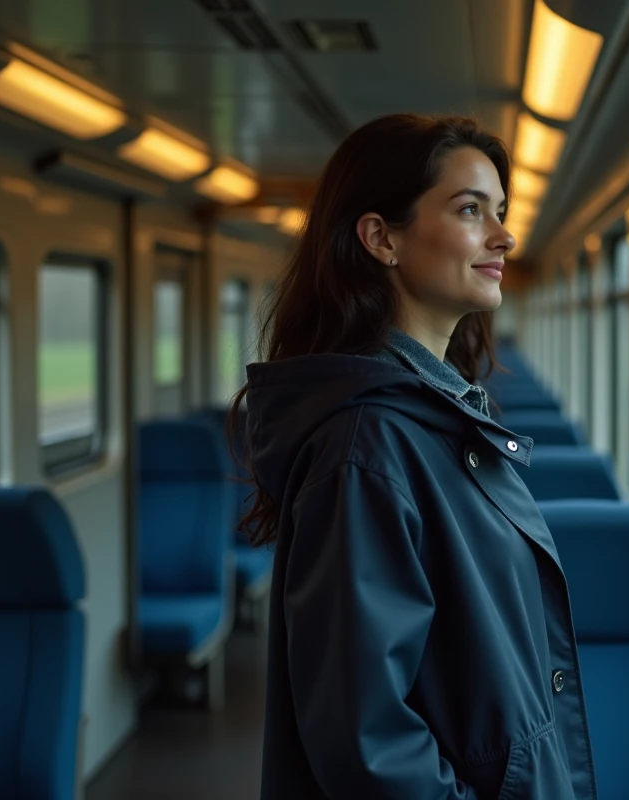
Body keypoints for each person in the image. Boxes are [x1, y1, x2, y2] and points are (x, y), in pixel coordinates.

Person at [230, 113, 598, 799]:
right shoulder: (367, 447)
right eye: (469, 210)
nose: (504, 235)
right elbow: (365, 740)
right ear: (381, 238)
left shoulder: (435, 417)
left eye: (502, 212)